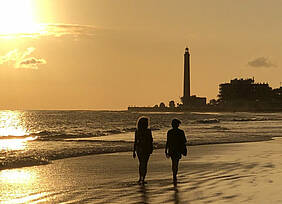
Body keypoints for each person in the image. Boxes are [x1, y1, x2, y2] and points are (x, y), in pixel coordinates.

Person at [165, 119, 187, 183]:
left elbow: (168, 142)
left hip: (172, 149)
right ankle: (175, 175)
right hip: (178, 149)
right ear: (178, 125)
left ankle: (174, 175)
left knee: (173, 162)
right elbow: (184, 141)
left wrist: (166, 150)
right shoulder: (181, 132)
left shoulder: (169, 132)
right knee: (176, 163)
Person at [133, 116, 153, 184]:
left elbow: (135, 141)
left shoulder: (137, 131)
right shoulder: (148, 131)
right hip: (146, 148)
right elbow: (150, 140)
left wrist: (134, 151)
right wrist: (151, 148)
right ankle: (143, 178)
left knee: (141, 163)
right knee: (145, 164)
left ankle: (140, 178)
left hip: (139, 148)